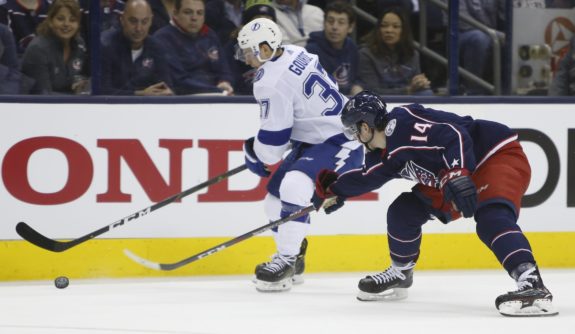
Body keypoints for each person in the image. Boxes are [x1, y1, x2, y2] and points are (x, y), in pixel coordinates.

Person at [311, 90, 558, 317]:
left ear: (365, 126)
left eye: (353, 130)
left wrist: (457, 173)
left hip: (492, 155)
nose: (354, 136)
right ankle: (401, 272)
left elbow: (454, 134)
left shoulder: (403, 126)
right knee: (403, 211)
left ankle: (531, 283)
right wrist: (333, 190)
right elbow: (367, 177)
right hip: (450, 174)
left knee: (491, 218)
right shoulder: (381, 155)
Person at [236, 17, 364, 292]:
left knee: (294, 184)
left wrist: (255, 154)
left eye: (248, 51)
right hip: (317, 140)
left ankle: (285, 261)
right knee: (273, 201)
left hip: (342, 139)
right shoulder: (296, 51)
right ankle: (295, 255)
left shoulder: (268, 81)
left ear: (266, 49)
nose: (245, 58)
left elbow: (273, 145)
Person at [154, 0, 234, 95]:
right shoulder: (163, 38)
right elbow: (179, 81)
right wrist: (217, 90)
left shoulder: (210, 35)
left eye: (199, 13)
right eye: (188, 12)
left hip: (217, 94)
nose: (194, 18)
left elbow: (224, 69)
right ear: (175, 14)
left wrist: (225, 82)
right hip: (185, 98)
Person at [100, 0, 174, 96]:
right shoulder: (106, 45)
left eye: (144, 22)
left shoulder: (157, 47)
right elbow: (102, 91)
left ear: (151, 21)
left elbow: (165, 86)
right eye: (133, 21)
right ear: (122, 19)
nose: (139, 28)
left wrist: (167, 92)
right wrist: (139, 94)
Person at [357, 7, 432, 96]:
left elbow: (415, 85)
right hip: (379, 101)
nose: (389, 30)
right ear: (378, 29)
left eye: (395, 26)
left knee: (426, 93)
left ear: (403, 31)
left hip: (407, 100)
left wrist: (419, 83)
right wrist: (407, 90)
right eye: (384, 25)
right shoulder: (366, 54)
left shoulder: (413, 54)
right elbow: (371, 90)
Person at [20, 0, 90, 95]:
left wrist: (82, 85)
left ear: (78, 24)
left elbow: (84, 78)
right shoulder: (38, 49)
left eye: (72, 20)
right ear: (50, 21)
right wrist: (76, 99)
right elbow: (43, 96)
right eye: (60, 19)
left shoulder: (79, 44)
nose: (66, 24)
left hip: (72, 105)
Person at [305, 1, 363, 96]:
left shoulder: (352, 47)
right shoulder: (311, 50)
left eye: (341, 23)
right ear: (324, 23)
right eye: (330, 21)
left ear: (350, 27)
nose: (334, 27)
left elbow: (356, 78)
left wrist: (357, 87)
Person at [223, 0, 277, 95]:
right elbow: (233, 81)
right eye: (258, 19)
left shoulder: (279, 48)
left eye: (268, 19)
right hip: (244, 101)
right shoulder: (233, 47)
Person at [457, 0, 505, 95]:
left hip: (492, 34)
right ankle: (473, 90)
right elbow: (462, 21)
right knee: (479, 38)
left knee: (514, 38)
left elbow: (505, 16)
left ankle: (506, 89)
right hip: (461, 33)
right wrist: (496, 34)